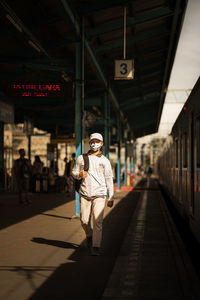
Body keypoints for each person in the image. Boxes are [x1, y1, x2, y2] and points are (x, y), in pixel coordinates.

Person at [72, 133, 114, 256]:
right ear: (89, 143)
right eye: (92, 141)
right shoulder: (81, 158)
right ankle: (89, 235)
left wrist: (110, 197)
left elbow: (109, 179)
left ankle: (96, 246)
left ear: (101, 144)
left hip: (100, 194)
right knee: (84, 221)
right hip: (85, 194)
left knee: (97, 221)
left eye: (97, 141)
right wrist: (79, 174)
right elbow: (74, 172)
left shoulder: (105, 161)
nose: (94, 144)